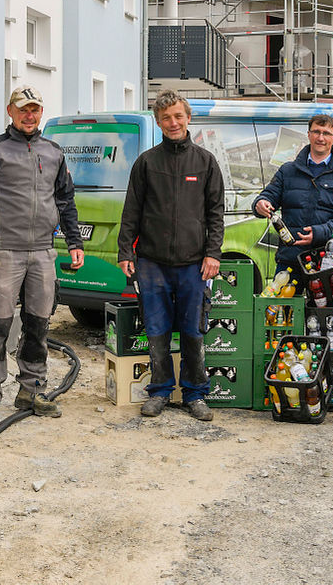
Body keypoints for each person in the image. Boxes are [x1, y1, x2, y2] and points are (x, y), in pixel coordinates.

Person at [0, 86, 84, 421]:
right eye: (23, 110)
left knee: (38, 325)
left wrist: (75, 242)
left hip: (43, 252)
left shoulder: (54, 152)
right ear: (10, 111)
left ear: (41, 113)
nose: (29, 116)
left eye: (35, 110)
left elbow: (65, 202)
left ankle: (32, 390)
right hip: (3, 252)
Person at [117, 90, 225, 421]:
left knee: (193, 331)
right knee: (157, 330)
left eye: (178, 116)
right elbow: (131, 211)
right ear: (158, 122)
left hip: (194, 264)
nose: (173, 122)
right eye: (166, 118)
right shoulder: (147, 163)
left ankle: (195, 394)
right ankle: (160, 391)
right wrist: (125, 251)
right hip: (152, 263)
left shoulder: (205, 162)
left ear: (188, 118)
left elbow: (216, 213)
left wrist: (213, 253)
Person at [252, 114, 333, 270]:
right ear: (308, 135)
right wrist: (260, 203)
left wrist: (320, 233)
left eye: (326, 133)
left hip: (329, 259)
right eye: (316, 132)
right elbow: (268, 196)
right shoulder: (288, 170)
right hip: (290, 258)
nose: (320, 138)